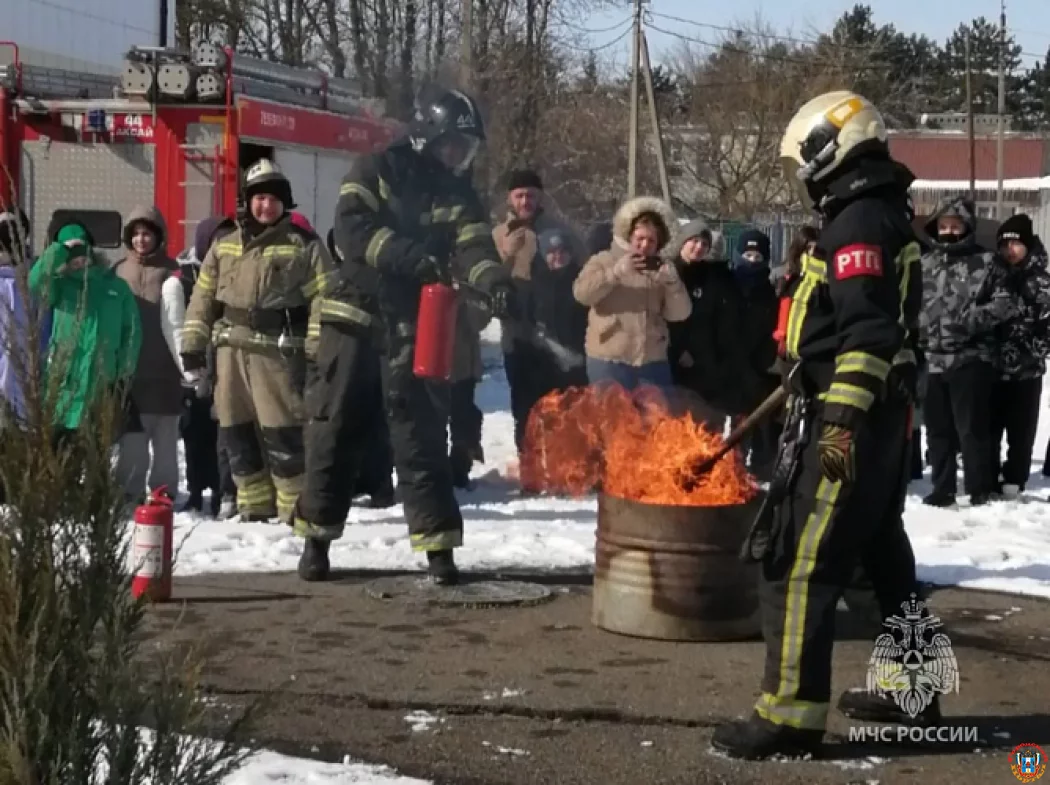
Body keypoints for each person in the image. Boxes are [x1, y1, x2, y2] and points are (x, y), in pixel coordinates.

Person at [711, 90, 926, 760]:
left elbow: (865, 335)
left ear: (828, 150)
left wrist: (836, 425)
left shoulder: (858, 219)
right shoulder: (879, 208)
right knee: (879, 554)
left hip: (848, 424)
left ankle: (790, 716)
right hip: (881, 419)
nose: (801, 173)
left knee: (798, 561)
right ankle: (913, 688)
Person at [293, 83, 517, 585]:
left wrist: (495, 282)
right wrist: (407, 256)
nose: (461, 156)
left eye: (467, 147)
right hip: (353, 316)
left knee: (419, 435)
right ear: (428, 134)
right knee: (336, 429)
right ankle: (317, 542)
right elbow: (351, 230)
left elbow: (474, 246)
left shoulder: (458, 193)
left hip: (411, 322)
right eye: (455, 144)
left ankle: (439, 552)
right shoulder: (375, 168)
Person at [181, 160, 332, 524]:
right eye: (259, 198)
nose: (266, 206)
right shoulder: (224, 247)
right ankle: (253, 506)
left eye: (274, 199)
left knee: (284, 437)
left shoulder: (303, 247)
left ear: (286, 203)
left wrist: (315, 353)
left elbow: (323, 303)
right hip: (230, 356)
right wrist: (192, 344)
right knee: (237, 434)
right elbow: (203, 300)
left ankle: (294, 510)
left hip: (277, 357)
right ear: (247, 201)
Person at [918, 196, 1016, 507]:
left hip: (970, 357)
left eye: (955, 225)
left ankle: (979, 487)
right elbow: (908, 303)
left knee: (972, 429)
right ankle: (942, 487)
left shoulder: (986, 262)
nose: (948, 231)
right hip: (932, 358)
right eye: (943, 226)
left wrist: (970, 321)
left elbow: (1005, 303)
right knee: (937, 429)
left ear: (967, 226)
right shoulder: (925, 263)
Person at [29, 221, 141, 443]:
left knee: (97, 463)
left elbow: (132, 331)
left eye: (82, 252)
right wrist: (59, 251)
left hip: (102, 385)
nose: (78, 260)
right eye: (72, 254)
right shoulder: (59, 286)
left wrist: (122, 373)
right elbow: (34, 283)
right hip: (64, 388)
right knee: (62, 460)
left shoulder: (116, 288)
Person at [573, 196, 691, 389]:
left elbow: (680, 314)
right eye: (640, 238)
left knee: (656, 419)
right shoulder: (604, 260)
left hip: (653, 363)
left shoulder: (662, 269)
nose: (645, 245)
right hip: (609, 361)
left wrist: (673, 284)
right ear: (629, 236)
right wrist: (615, 273)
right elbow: (581, 294)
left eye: (651, 240)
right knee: (609, 419)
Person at [112, 206, 183, 503]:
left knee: (165, 439)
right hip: (131, 372)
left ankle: (163, 491)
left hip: (165, 371)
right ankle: (128, 490)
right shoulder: (117, 271)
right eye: (137, 234)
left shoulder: (172, 270)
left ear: (158, 237)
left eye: (148, 234)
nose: (142, 240)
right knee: (133, 441)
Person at [983, 214, 1050, 495]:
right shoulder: (991, 276)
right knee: (989, 430)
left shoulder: (1041, 281)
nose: (1010, 250)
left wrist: (1028, 344)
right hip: (991, 368)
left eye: (1016, 244)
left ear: (1027, 245)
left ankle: (1014, 479)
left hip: (1026, 369)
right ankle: (986, 475)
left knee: (1021, 432)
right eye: (1004, 244)